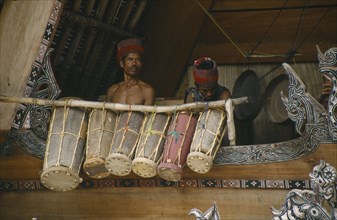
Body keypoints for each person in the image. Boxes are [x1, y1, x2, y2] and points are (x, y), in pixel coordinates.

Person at [107, 38, 155, 105]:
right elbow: (107, 114)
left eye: (138, 60)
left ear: (141, 64)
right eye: (130, 59)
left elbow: (149, 115)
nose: (134, 63)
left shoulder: (147, 91)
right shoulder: (112, 90)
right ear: (121, 64)